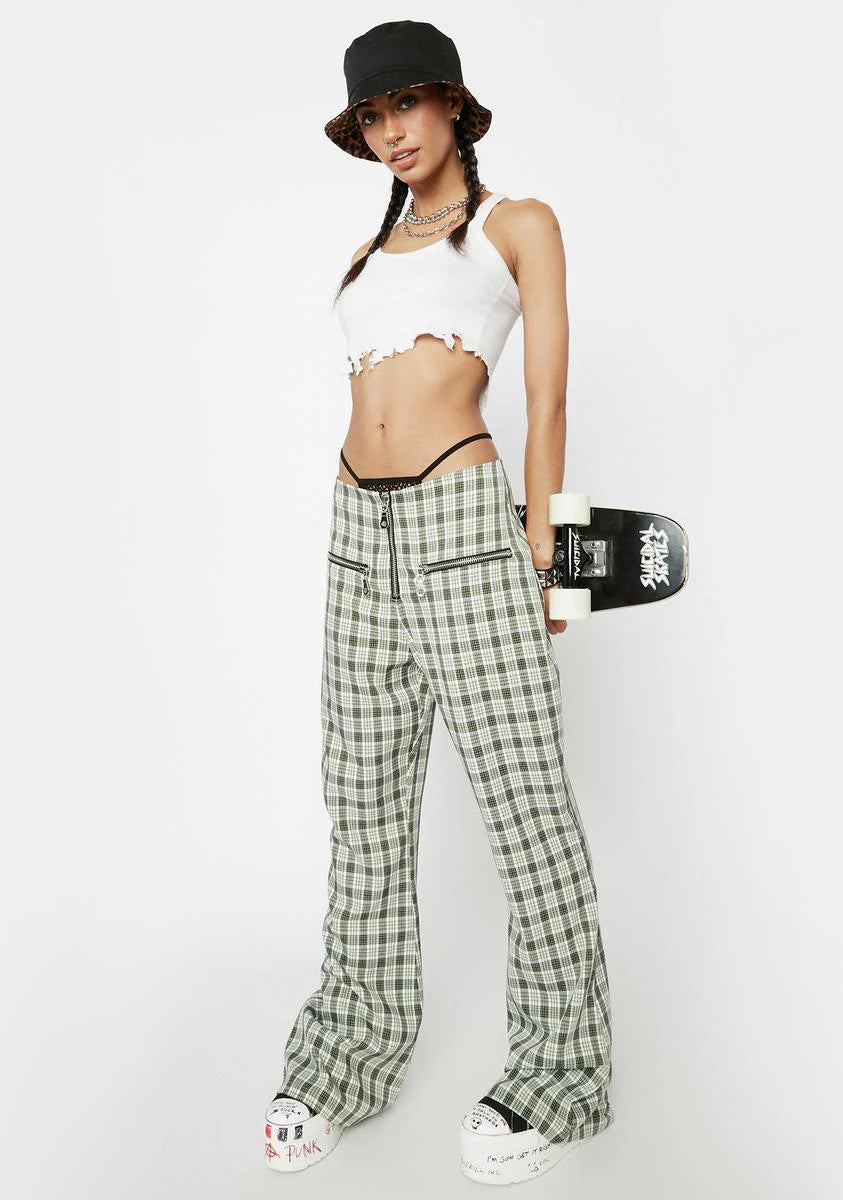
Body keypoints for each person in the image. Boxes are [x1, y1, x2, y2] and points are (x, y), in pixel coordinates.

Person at [263, 20, 614, 1185]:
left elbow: (548, 399)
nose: (392, 131)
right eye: (372, 116)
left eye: (407, 103)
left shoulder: (518, 224)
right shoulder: (367, 255)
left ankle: (559, 1076)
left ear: (454, 103)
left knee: (526, 806)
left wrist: (551, 551)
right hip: (353, 536)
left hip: (464, 528)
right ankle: (347, 1058)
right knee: (361, 810)